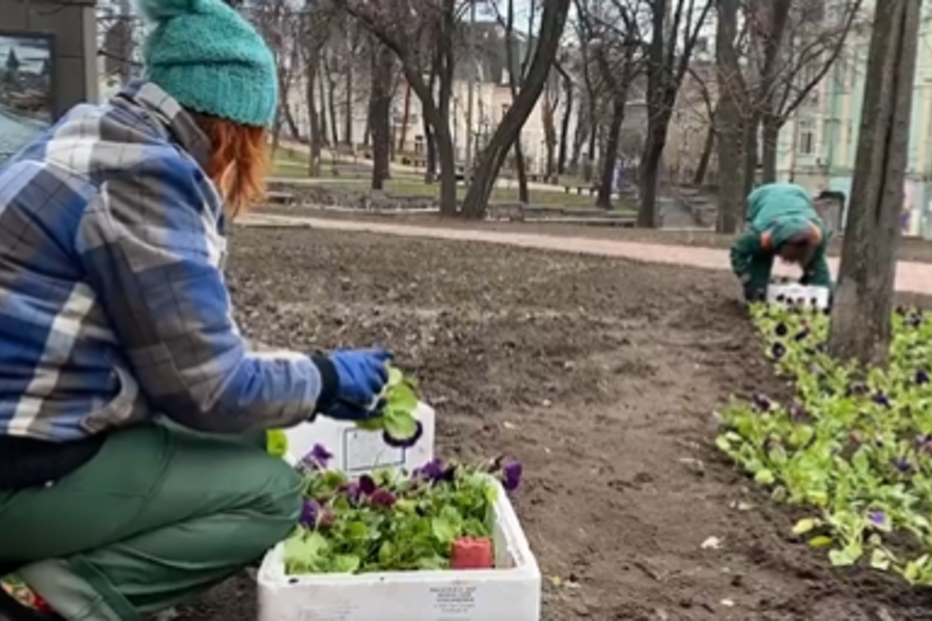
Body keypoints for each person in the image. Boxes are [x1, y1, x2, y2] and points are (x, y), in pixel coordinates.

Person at [0, 0, 393, 619]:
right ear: (229, 126)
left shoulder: (91, 133)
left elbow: (183, 354)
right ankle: (59, 595)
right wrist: (324, 377)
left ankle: (74, 561)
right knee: (270, 494)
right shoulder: (145, 178)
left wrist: (303, 382)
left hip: (29, 432)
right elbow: (208, 388)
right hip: (20, 471)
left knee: (245, 438)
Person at [730, 182, 832, 303]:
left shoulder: (817, 235)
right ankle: (758, 295)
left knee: (816, 266)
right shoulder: (758, 236)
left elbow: (818, 266)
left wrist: (818, 291)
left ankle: (823, 302)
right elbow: (737, 251)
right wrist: (747, 278)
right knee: (760, 258)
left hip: (799, 194)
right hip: (762, 196)